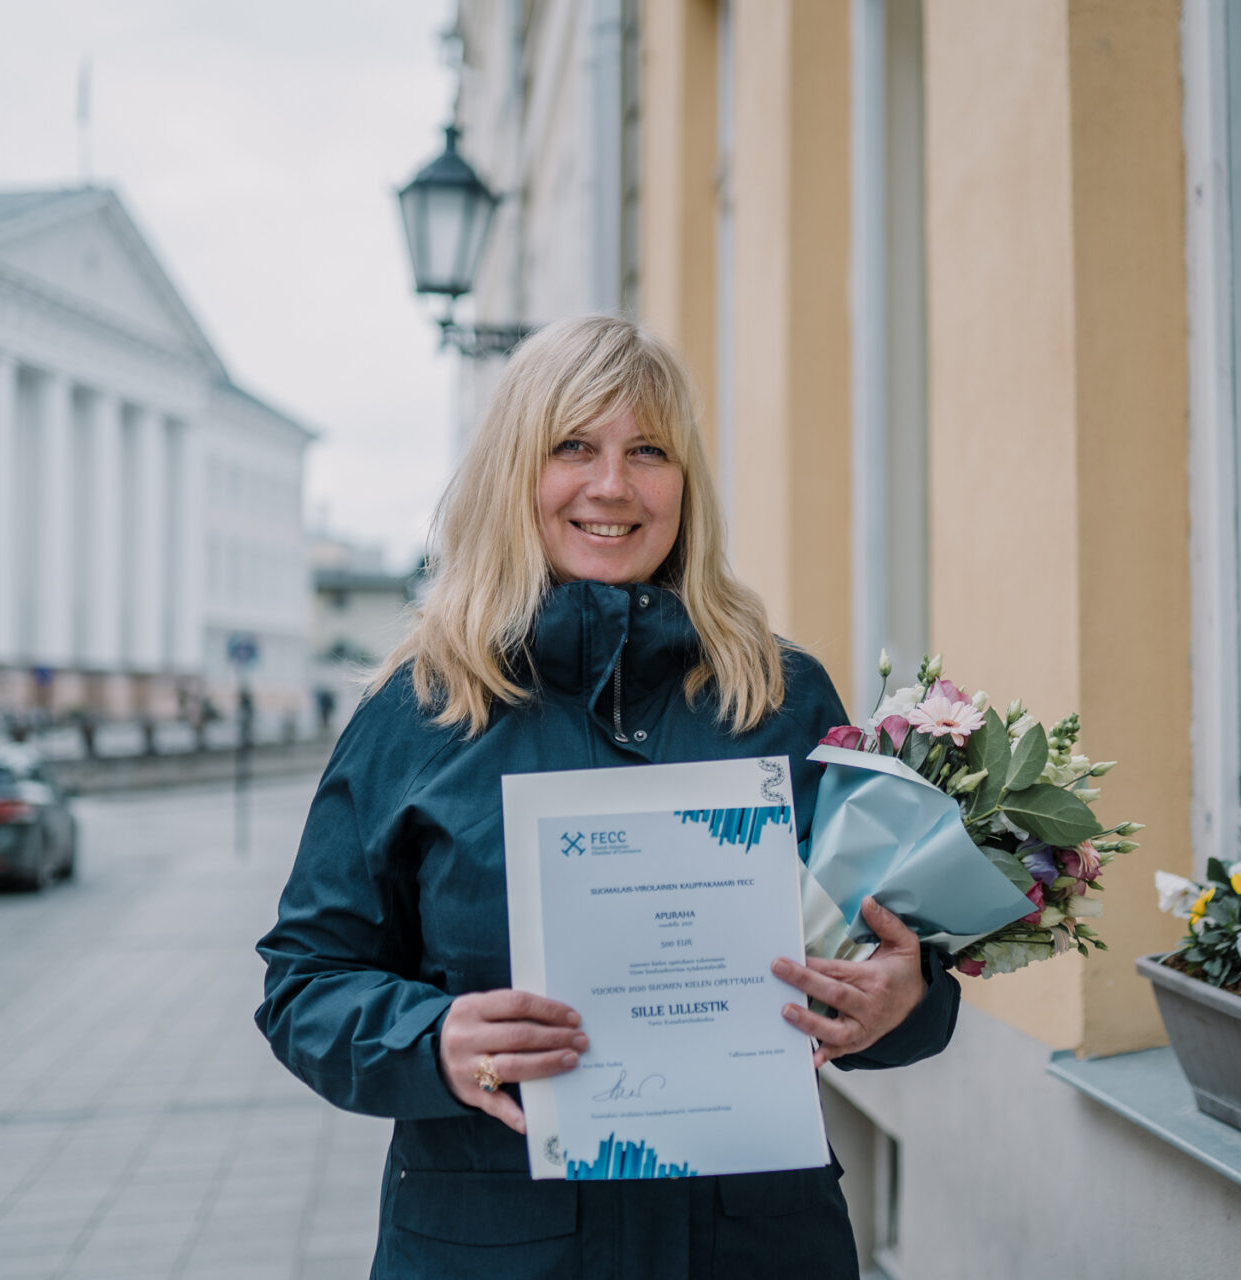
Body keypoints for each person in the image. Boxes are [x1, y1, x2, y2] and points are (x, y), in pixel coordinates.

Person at [255, 315, 960, 1279]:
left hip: (758, 1244)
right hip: (491, 1250)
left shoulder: (782, 697)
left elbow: (882, 963)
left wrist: (906, 999)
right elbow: (304, 980)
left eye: (648, 452)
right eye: (574, 448)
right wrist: (434, 1040)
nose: (613, 486)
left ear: (685, 484)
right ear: (517, 473)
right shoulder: (419, 710)